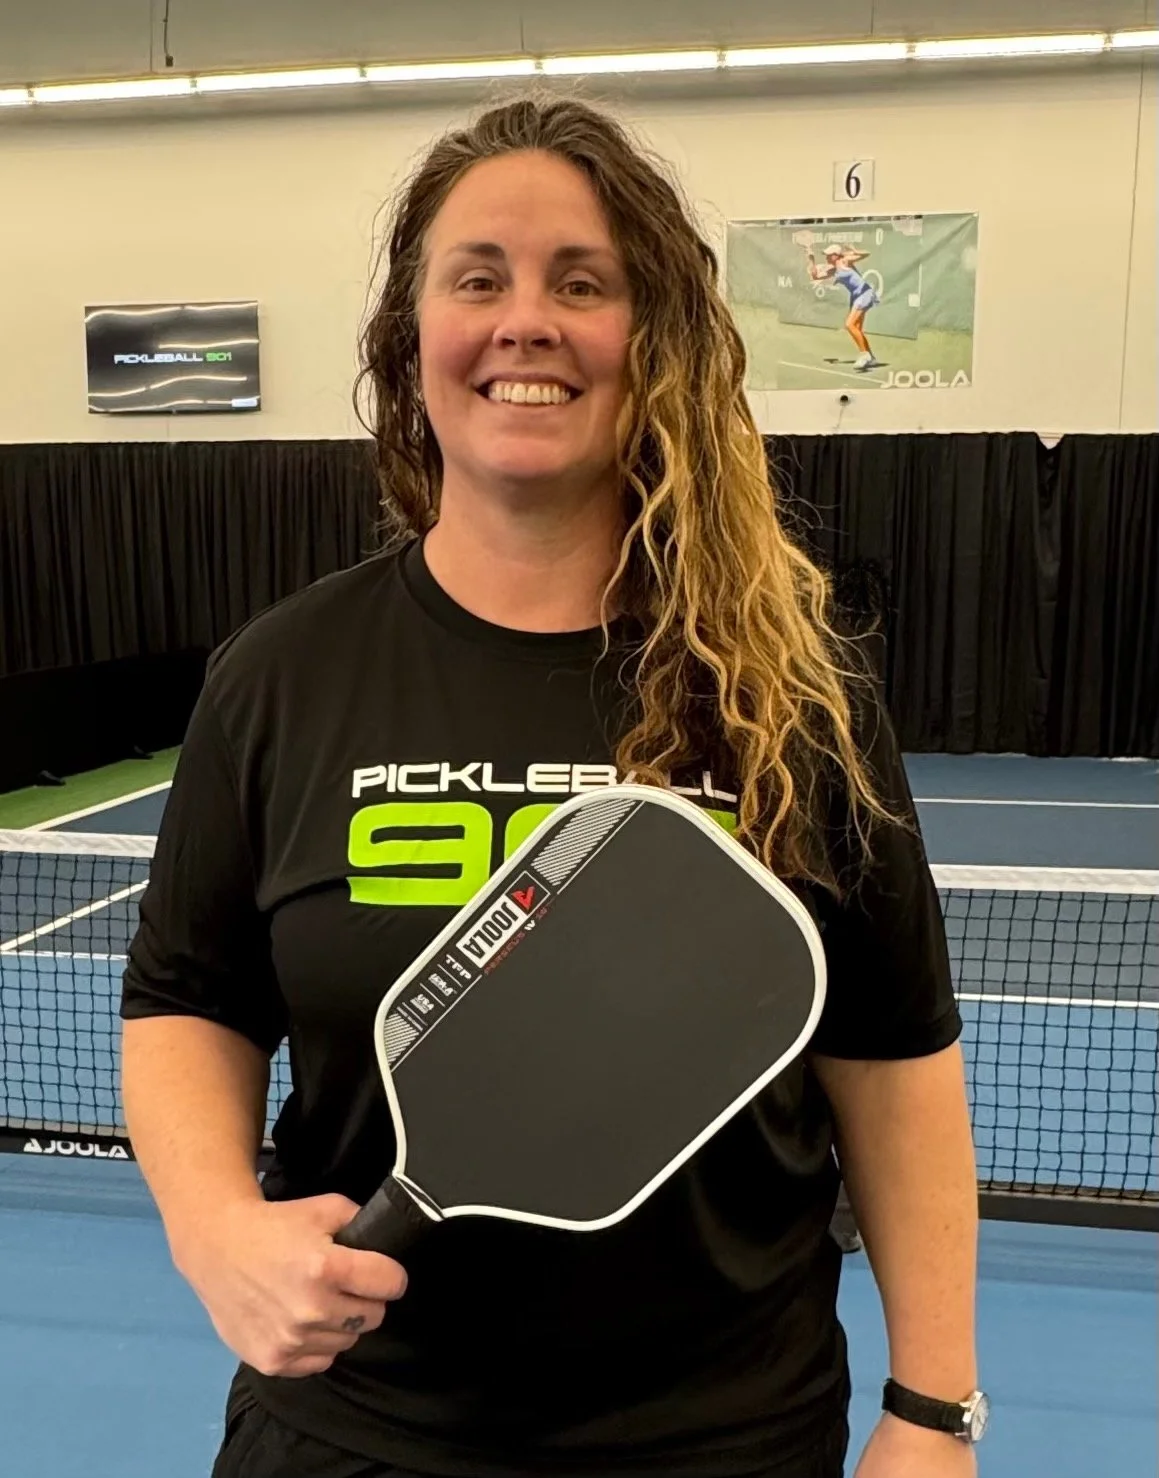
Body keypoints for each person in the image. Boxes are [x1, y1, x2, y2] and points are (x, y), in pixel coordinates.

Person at [121, 95, 983, 1478]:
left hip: (718, 1441)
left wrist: (932, 1409)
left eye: (582, 283)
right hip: (355, 1436)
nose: (526, 319)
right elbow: (187, 1000)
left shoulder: (791, 696)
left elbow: (890, 1060)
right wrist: (212, 1223)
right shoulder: (277, 677)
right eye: (479, 278)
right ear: (412, 343)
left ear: (653, 346)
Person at [804, 243, 882, 372]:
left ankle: (865, 355)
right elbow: (815, 276)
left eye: (829, 255)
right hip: (856, 296)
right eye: (826, 255)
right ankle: (871, 357)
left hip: (864, 293)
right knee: (857, 328)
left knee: (849, 324)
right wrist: (811, 259)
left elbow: (867, 253)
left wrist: (854, 251)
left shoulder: (845, 261)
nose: (826, 258)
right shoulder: (833, 269)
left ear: (836, 256)